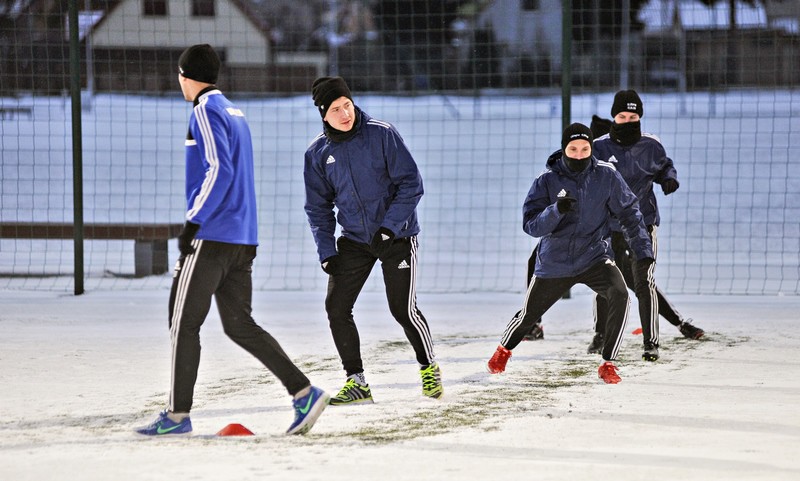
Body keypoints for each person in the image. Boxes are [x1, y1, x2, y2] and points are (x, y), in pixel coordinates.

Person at [136, 44, 329, 436]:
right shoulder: (235, 113)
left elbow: (220, 171)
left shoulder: (204, 110)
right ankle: (304, 393)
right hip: (241, 239)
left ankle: (175, 417)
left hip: (212, 237)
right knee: (239, 325)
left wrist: (193, 221)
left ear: (185, 76)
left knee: (181, 322)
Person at [304, 76, 442, 403]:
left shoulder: (382, 134)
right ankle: (357, 382)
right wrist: (326, 250)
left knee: (402, 309)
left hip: (397, 235)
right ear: (324, 115)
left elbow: (412, 185)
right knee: (336, 307)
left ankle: (428, 367)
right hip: (353, 239)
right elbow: (317, 207)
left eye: (347, 105)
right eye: (335, 109)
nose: (344, 114)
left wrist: (390, 228)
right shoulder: (317, 153)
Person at [486, 123, 654, 384]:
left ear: (591, 149)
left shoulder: (607, 175)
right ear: (564, 149)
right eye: (573, 149)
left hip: (594, 256)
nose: (579, 154)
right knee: (529, 314)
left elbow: (630, 213)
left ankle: (608, 362)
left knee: (620, 295)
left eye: (585, 148)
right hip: (555, 262)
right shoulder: (547, 180)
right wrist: (555, 210)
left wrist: (642, 250)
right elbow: (531, 225)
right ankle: (503, 351)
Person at [588, 90, 705, 362]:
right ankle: (601, 334)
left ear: (639, 117)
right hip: (608, 227)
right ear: (613, 116)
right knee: (606, 282)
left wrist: (669, 178)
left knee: (643, 282)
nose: (627, 121)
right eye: (621, 116)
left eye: (633, 116)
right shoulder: (601, 146)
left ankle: (651, 343)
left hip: (643, 224)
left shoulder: (651, 145)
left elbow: (664, 165)